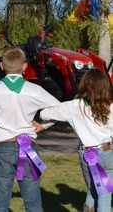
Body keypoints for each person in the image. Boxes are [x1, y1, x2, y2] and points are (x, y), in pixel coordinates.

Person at [0, 46, 60, 212]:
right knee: (33, 203)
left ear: (1, 66)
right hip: (28, 148)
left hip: (2, 147)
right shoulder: (35, 90)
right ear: (25, 66)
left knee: (0, 203)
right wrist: (44, 125)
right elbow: (60, 110)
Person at [40, 68, 113, 212]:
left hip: (88, 154)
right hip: (108, 151)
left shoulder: (73, 106)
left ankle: (89, 207)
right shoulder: (111, 105)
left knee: (96, 188)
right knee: (104, 191)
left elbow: (44, 113)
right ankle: (90, 207)